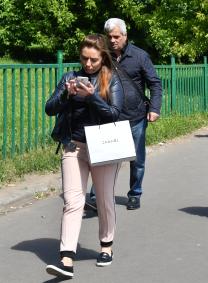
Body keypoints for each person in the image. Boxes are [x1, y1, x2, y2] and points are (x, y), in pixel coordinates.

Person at [44, 34, 124, 278]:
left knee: (103, 199)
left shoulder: (111, 79)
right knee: (73, 201)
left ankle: (106, 245)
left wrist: (92, 98)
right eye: (84, 59)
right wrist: (66, 94)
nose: (88, 64)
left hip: (104, 146)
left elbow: (114, 114)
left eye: (93, 60)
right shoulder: (69, 77)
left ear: (103, 58)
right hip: (73, 147)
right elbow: (49, 108)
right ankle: (66, 258)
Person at [88, 18, 163, 211]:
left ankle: (135, 193)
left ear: (125, 36)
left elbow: (154, 83)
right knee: (105, 158)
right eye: (109, 37)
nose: (112, 40)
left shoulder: (140, 56)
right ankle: (96, 196)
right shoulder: (102, 57)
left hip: (136, 116)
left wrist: (154, 108)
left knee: (136, 159)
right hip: (110, 117)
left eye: (116, 36)